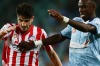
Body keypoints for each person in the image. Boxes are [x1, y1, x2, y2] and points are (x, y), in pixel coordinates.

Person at [18, 0, 100, 66]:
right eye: (79, 7)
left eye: (84, 7)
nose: (81, 10)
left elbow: (86, 28)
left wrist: (63, 19)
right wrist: (34, 44)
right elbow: (59, 37)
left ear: (93, 6)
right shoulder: (76, 21)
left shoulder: (97, 23)